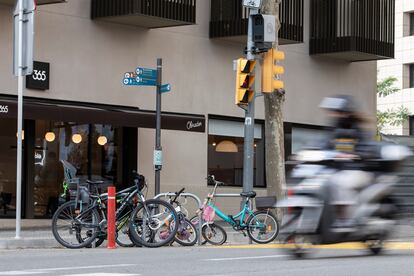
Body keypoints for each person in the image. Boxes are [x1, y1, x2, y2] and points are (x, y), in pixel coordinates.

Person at [319, 95, 374, 230]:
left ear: (346, 112)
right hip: (338, 170)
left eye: (337, 111)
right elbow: (322, 143)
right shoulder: (333, 128)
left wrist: (355, 155)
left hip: (358, 170)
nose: (334, 114)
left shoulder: (358, 129)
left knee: (340, 183)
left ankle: (346, 218)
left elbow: (367, 148)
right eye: (333, 111)